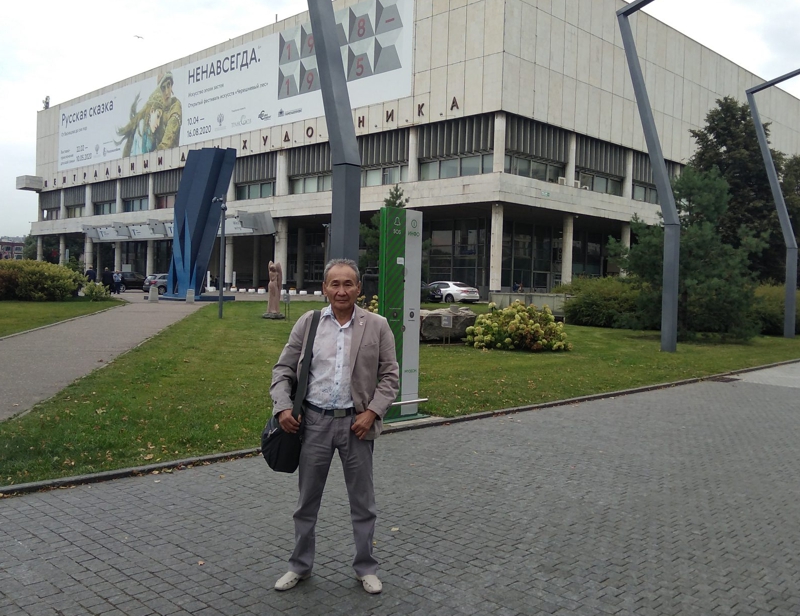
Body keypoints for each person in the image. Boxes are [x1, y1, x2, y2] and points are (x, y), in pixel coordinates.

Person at [270, 258, 399, 595]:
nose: (342, 291)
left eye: (348, 284)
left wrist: (372, 413)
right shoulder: (309, 322)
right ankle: (299, 566)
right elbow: (283, 369)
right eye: (335, 284)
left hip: (357, 426)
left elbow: (390, 377)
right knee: (306, 503)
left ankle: (365, 568)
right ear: (325, 288)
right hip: (313, 424)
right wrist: (282, 406)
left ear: (359, 288)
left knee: (363, 503)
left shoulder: (377, 325)